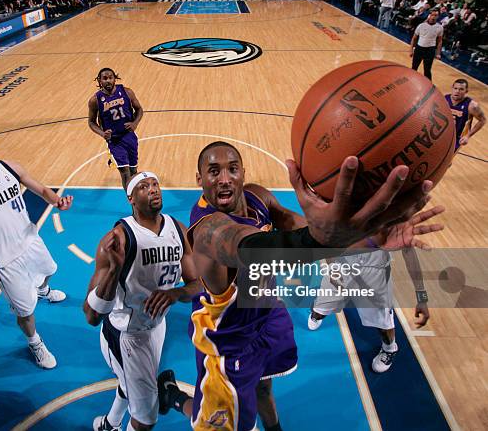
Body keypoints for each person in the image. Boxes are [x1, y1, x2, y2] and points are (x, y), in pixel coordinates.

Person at [158, 141, 444, 431]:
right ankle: (173, 395)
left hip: (266, 314)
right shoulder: (208, 230)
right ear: (199, 180)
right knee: (214, 425)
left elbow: (300, 228)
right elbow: (257, 247)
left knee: (263, 387)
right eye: (213, 171)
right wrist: (329, 239)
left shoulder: (257, 197)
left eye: (232, 169)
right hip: (228, 341)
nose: (224, 179)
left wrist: (371, 240)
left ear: (243, 172)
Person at [84, 171, 200, 431]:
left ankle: (109, 424)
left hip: (158, 326)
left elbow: (197, 282)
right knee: (146, 420)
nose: (153, 189)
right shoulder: (117, 239)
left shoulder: (177, 229)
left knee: (129, 386)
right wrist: (114, 270)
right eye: (144, 186)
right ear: (131, 199)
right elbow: (91, 316)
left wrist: (176, 293)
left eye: (156, 184)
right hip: (127, 334)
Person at [0, 129, 73, 369]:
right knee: (25, 312)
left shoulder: (9, 168)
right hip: (4, 259)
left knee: (50, 269)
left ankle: (43, 290)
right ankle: (34, 342)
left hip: (29, 241)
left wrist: (57, 202)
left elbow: (40, 189)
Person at [307, 248, 430, 373]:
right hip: (342, 267)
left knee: (383, 326)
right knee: (318, 312)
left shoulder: (395, 228)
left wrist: (421, 296)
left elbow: (408, 251)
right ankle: (317, 315)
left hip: (375, 273)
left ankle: (389, 348)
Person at [88, 68, 144, 189]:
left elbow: (139, 109)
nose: (108, 80)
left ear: (115, 79)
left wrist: (135, 123)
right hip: (114, 141)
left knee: (133, 171)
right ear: (99, 80)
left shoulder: (127, 92)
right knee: (124, 171)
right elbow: (91, 122)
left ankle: (135, 197)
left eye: (110, 77)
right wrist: (102, 134)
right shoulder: (95, 100)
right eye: (105, 78)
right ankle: (131, 200)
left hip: (129, 136)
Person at [444, 79, 486, 149]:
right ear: (452, 88)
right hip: (441, 135)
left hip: (456, 139)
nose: (457, 91)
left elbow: (482, 120)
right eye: (455, 88)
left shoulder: (472, 106)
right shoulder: (444, 99)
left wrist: (468, 136)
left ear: (466, 91)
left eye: (461, 89)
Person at [410, 10, 443, 80]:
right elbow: (414, 38)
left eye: (435, 15)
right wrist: (411, 50)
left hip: (430, 50)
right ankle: (410, 82)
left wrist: (438, 53)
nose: (433, 17)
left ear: (438, 17)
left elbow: (439, 41)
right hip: (419, 48)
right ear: (429, 16)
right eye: (432, 15)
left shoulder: (440, 27)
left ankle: (429, 86)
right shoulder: (421, 25)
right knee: (414, 67)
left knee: (427, 70)